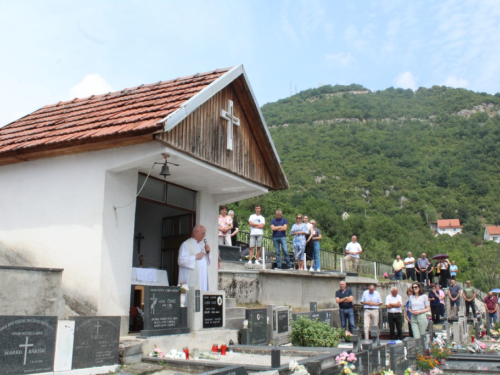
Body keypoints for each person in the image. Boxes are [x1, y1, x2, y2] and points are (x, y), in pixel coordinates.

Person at [177, 225, 211, 291]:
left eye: (205, 233)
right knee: (191, 298)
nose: (204, 235)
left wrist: (208, 253)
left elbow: (207, 261)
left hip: (202, 279)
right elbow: (181, 260)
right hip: (190, 278)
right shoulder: (186, 244)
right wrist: (195, 257)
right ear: (195, 233)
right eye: (203, 233)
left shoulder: (201, 245)